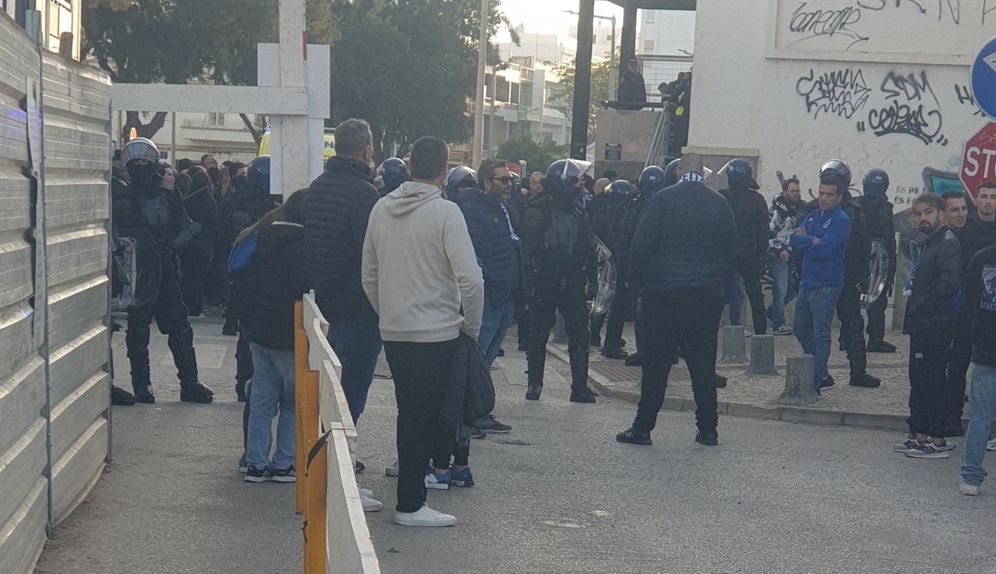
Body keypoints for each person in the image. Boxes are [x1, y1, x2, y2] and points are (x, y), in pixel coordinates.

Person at [362, 135, 484, 527]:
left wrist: (388, 312)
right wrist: (471, 326)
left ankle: (411, 497)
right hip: (437, 332)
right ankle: (411, 502)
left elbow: (369, 275)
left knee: (409, 411)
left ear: (410, 166)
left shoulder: (381, 209)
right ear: (444, 171)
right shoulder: (446, 213)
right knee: (427, 415)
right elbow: (471, 279)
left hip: (395, 330)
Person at [615, 154, 736, 447]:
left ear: (679, 171)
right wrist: (720, 284)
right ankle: (708, 429)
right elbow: (732, 249)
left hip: (663, 295)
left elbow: (642, 244)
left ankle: (643, 428)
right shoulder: (719, 204)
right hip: (705, 296)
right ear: (702, 173)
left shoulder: (663, 199)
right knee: (703, 366)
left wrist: (637, 283)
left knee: (656, 366)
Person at [114, 138, 214, 404]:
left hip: (165, 267)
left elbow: (187, 226)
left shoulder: (168, 195)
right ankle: (142, 385)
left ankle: (189, 382)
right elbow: (116, 234)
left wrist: (173, 246)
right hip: (137, 270)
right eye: (135, 162)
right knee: (138, 330)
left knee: (180, 328)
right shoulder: (122, 197)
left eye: (144, 161)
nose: (139, 166)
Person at [304, 119, 383, 426]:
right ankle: (339, 446)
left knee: (323, 386)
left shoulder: (315, 189)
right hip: (357, 308)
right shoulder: (365, 195)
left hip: (321, 302)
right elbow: (370, 254)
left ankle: (322, 444)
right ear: (366, 151)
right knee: (350, 394)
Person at [242, 190, 311, 484]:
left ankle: (255, 463)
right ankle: (283, 463)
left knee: (261, 401)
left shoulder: (264, 238)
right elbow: (303, 285)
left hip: (260, 330)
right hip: (289, 332)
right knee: (292, 402)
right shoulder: (303, 245)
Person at [520, 159, 600, 404]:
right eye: (575, 181)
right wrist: (528, 285)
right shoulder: (538, 210)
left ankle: (579, 386)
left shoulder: (578, 212)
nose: (579, 185)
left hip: (572, 278)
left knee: (580, 334)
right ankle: (534, 384)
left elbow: (589, 248)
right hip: (546, 278)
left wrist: (592, 279)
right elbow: (527, 252)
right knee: (539, 332)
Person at [455, 158, 518, 434]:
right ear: (486, 182)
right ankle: (466, 414)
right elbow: (473, 254)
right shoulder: (472, 211)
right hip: (488, 294)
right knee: (475, 356)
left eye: (510, 179)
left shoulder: (505, 210)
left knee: (487, 358)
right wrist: (488, 280)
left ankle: (476, 409)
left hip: (506, 293)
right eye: (503, 180)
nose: (508, 185)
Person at [896, 193, 961, 458]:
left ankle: (937, 440)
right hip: (923, 324)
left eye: (928, 212)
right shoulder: (930, 243)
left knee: (932, 381)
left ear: (941, 214)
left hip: (935, 324)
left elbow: (949, 282)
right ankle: (921, 435)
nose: (923, 218)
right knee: (920, 379)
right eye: (918, 213)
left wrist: (924, 306)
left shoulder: (947, 242)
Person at [790, 160, 852, 394]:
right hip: (807, 281)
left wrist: (809, 241)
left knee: (821, 333)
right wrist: (811, 240)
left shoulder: (841, 220)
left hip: (826, 284)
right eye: (821, 193)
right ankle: (819, 369)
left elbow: (824, 250)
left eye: (829, 195)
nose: (824, 198)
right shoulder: (813, 215)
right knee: (799, 328)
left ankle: (815, 379)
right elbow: (794, 240)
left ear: (839, 197)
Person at [221, 157, 280, 401]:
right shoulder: (268, 205)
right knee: (255, 334)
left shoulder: (236, 200)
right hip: (258, 275)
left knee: (246, 333)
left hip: (239, 274)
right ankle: (250, 382)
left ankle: (243, 382)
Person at [958, 242, 996, 494]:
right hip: (985, 346)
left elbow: (968, 303)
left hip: (985, 345)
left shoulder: (981, 258)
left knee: (980, 416)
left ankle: (971, 476)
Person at [720, 159, 769, 335]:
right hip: (750, 252)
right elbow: (764, 232)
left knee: (720, 293)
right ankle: (761, 334)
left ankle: (707, 329)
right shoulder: (757, 199)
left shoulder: (723, 197)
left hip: (726, 252)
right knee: (755, 295)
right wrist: (761, 256)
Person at [589, 179, 634, 355]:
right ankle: (612, 341)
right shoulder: (626, 215)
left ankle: (594, 335)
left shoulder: (602, 212)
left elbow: (595, 238)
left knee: (601, 300)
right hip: (619, 264)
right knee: (619, 305)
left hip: (603, 263)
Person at [857, 169, 898, 354]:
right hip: (878, 255)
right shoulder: (884, 208)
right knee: (878, 300)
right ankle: (875, 339)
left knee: (852, 297)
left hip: (858, 255)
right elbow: (889, 239)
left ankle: (849, 337)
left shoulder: (856, 205)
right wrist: (891, 269)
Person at [767, 177, 807, 335]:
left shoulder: (801, 210)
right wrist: (779, 250)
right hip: (777, 255)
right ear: (785, 192)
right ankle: (778, 324)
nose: (796, 193)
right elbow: (768, 234)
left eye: (797, 190)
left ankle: (771, 312)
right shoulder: (776, 211)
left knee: (795, 288)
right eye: (792, 191)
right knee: (781, 289)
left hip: (794, 254)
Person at [179, 166, 217, 317]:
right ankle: (195, 306)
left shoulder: (187, 200)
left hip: (188, 242)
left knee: (187, 274)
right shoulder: (209, 201)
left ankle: (185, 304)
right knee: (199, 277)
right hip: (204, 243)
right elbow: (214, 223)